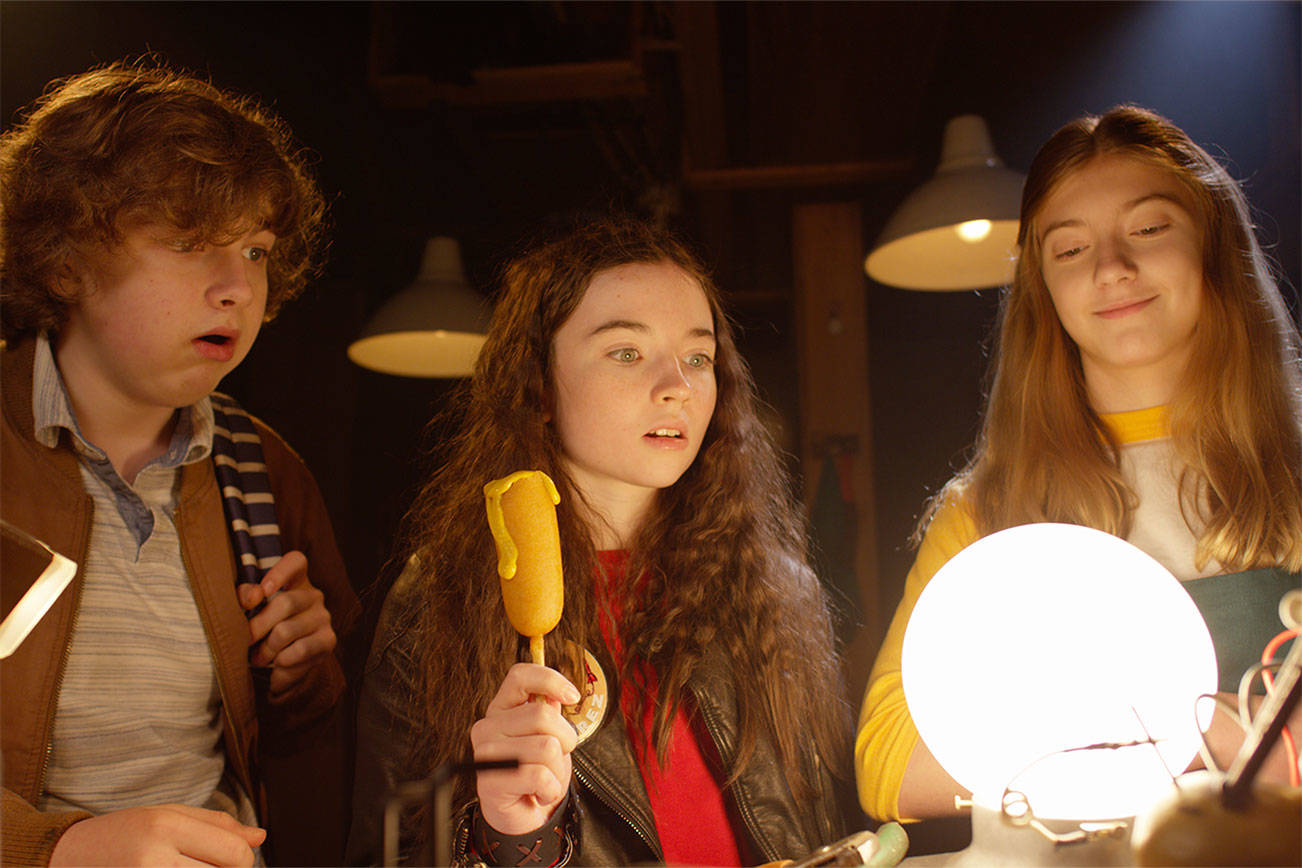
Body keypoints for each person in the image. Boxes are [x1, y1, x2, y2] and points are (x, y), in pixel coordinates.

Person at [348, 216, 856, 866]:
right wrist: (510, 836)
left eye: (698, 356)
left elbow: (832, 826)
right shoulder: (441, 597)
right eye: (627, 352)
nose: (677, 384)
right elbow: (387, 856)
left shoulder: (777, 588)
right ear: (539, 385)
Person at [855, 104, 1302, 824]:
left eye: (1149, 229)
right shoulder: (986, 515)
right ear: (1045, 291)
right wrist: (1188, 731)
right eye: (1069, 250)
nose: (1112, 269)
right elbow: (888, 765)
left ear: (1214, 247)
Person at [0, 60, 360, 866]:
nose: (238, 287)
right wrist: (50, 850)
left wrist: (304, 676)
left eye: (259, 251)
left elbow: (314, 762)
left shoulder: (265, 470)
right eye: (192, 241)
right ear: (66, 258)